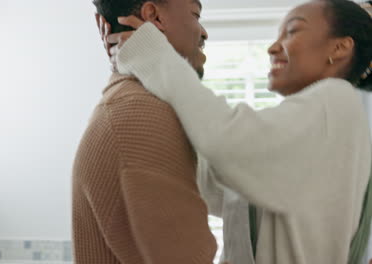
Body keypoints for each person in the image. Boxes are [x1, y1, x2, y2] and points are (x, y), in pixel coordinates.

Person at [100, 0, 372, 263]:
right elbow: (220, 185)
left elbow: (224, 141)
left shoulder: (336, 100)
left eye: (292, 31)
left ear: (340, 48)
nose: (273, 47)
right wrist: (138, 67)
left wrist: (151, 54)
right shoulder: (309, 128)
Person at [71, 0, 218, 263]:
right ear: (154, 16)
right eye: (196, 15)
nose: (204, 32)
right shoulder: (141, 111)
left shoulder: (127, 102)